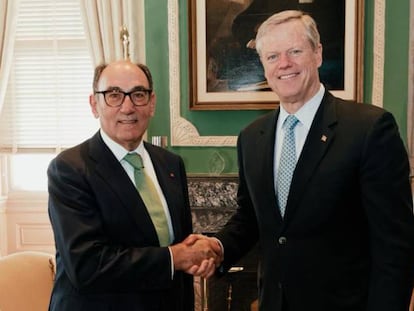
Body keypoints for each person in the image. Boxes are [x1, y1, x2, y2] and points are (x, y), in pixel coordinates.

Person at [200, 10, 414, 311]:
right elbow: (251, 218)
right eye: (272, 56)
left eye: (295, 51)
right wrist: (218, 247)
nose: (284, 64)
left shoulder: (369, 129)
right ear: (263, 65)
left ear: (318, 54)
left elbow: (395, 247)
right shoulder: (251, 138)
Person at [47, 60, 219, 311]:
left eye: (138, 95)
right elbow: (87, 266)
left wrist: (198, 253)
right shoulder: (70, 169)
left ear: (152, 104)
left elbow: (180, 246)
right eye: (114, 95)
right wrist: (175, 257)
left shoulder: (170, 164)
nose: (127, 107)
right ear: (95, 105)